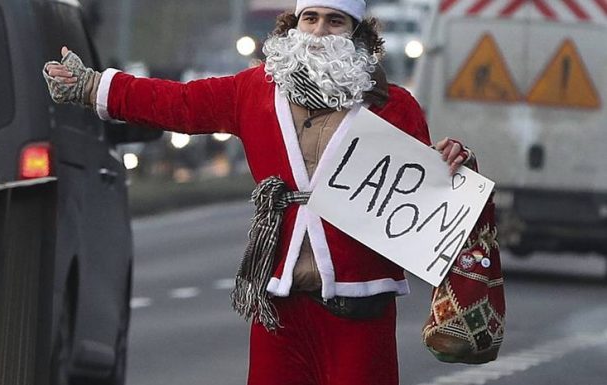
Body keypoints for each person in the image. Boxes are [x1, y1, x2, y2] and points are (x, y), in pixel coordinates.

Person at [43, 1, 473, 384]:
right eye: (311, 18)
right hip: (279, 303)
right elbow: (180, 103)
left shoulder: (393, 106)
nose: (320, 32)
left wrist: (455, 161)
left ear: (357, 34)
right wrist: (93, 86)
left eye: (335, 21)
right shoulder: (255, 90)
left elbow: (425, 196)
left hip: (359, 306)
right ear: (294, 26)